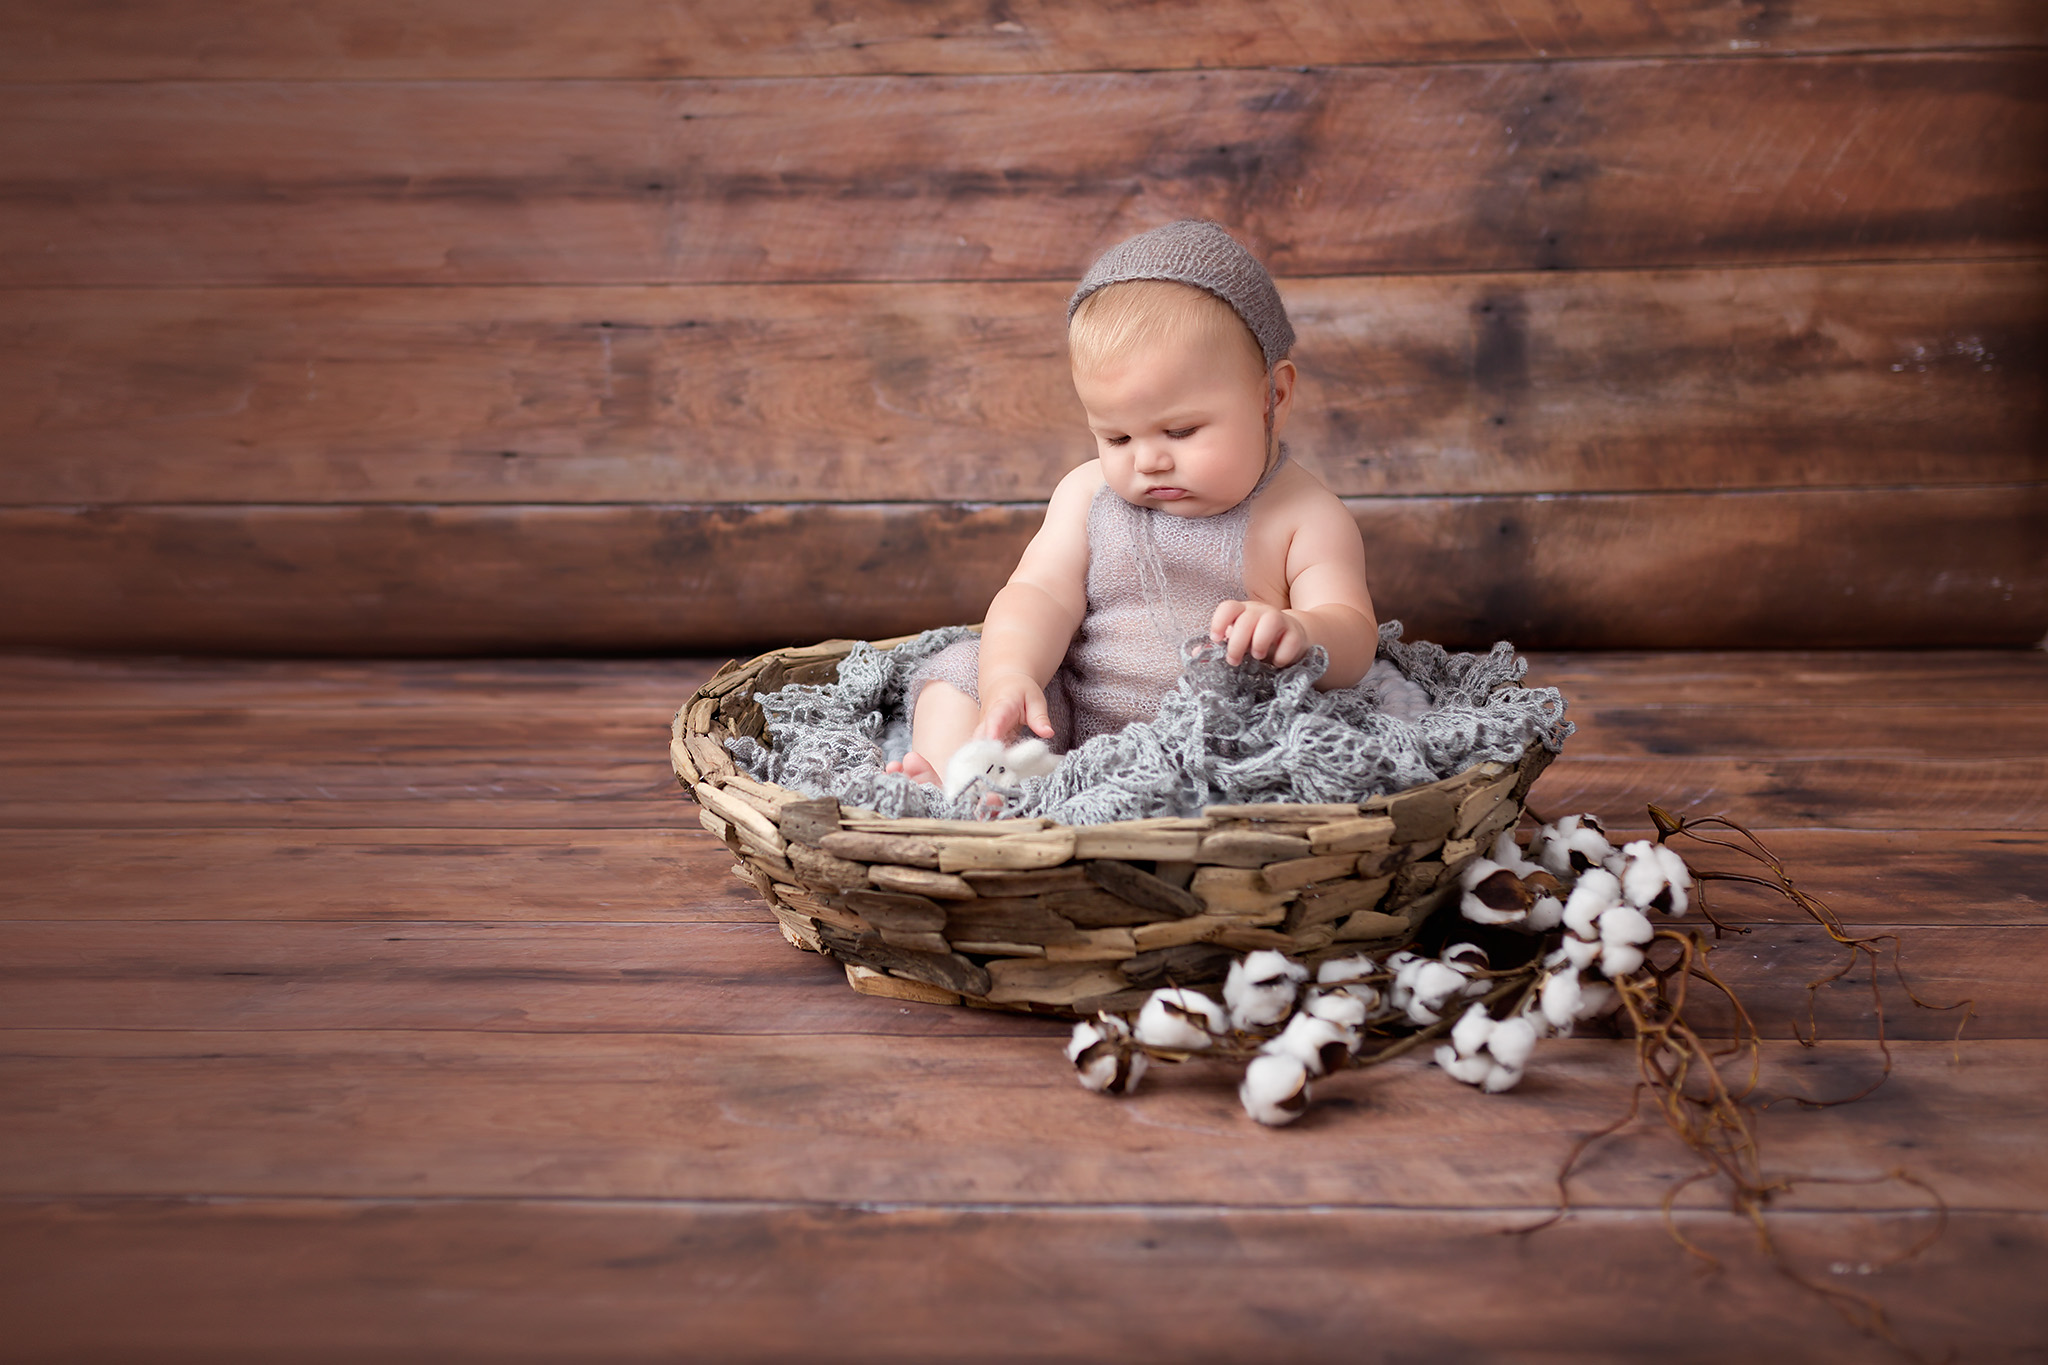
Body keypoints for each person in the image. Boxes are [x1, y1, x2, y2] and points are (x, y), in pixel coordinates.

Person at [890, 220, 1379, 786]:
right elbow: (1038, 593)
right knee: (960, 671)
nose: (1148, 460)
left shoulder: (1304, 517)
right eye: (1118, 438)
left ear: (1274, 396)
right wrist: (1011, 676)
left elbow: (1353, 634)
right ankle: (968, 783)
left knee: (1310, 743)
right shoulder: (1087, 494)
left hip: (1220, 738)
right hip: (1066, 726)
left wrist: (1301, 632)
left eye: (1181, 430)